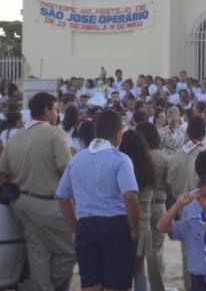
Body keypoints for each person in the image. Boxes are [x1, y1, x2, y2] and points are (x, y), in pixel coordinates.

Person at [0, 92, 76, 291]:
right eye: (55, 109)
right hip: (49, 205)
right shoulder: (54, 134)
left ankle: (39, 287)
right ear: (47, 110)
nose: (57, 114)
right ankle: (35, 287)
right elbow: (67, 170)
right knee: (72, 250)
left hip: (22, 203)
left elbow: (1, 173)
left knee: (38, 254)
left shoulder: (16, 136)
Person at [55, 109, 139, 291]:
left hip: (86, 226)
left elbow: (62, 196)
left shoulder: (76, 160)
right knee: (116, 285)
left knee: (91, 285)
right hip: (115, 226)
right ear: (118, 135)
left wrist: (74, 227)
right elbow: (130, 197)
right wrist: (134, 229)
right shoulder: (121, 160)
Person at [167, 115, 206, 291]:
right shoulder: (204, 155)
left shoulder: (176, 156)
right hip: (202, 208)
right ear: (204, 134)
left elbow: (169, 184)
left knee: (186, 255)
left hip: (182, 207)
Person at [120, 130, 155, 291]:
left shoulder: (121, 164)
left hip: (123, 219)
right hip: (144, 220)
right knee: (140, 266)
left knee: (122, 266)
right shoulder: (148, 165)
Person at [136, 122, 168, 291]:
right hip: (159, 204)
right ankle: (157, 287)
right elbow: (167, 183)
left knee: (140, 251)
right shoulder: (161, 156)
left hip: (141, 205)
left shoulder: (137, 155)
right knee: (156, 250)